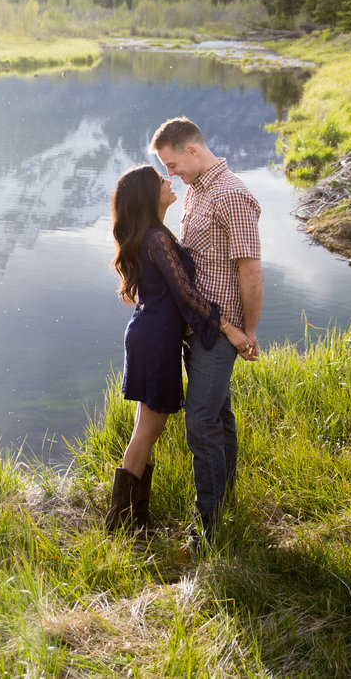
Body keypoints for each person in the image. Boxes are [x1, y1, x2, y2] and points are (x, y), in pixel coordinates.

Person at [106, 164, 256, 534]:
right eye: (160, 180)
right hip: (156, 342)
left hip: (149, 335)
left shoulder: (153, 234)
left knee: (144, 431)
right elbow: (187, 296)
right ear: (147, 195)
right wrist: (231, 329)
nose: (168, 180)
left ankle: (131, 522)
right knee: (147, 432)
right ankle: (124, 524)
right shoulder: (156, 239)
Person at [151, 117, 263, 534]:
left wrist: (247, 332)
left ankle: (209, 528)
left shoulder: (231, 194)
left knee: (199, 420)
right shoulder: (199, 191)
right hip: (197, 328)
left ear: (192, 151)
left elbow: (250, 271)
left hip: (220, 331)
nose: (170, 174)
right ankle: (226, 503)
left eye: (172, 164)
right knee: (218, 414)